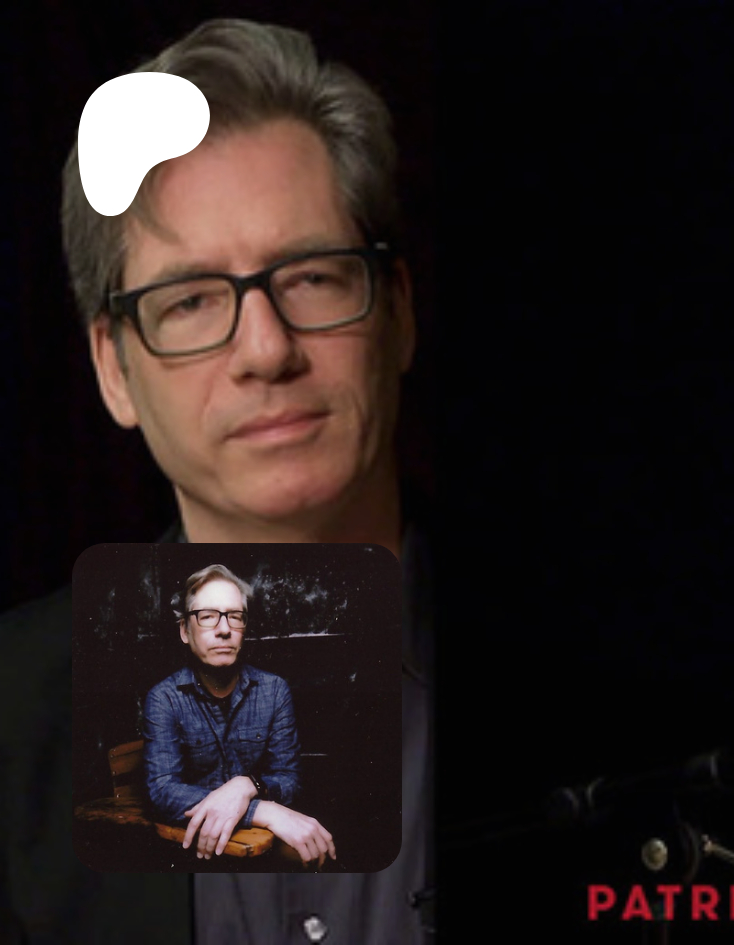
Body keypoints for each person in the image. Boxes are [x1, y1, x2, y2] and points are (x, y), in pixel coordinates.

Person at [0, 18, 432, 943]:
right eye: (191, 300)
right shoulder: (11, 729)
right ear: (114, 368)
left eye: (312, 277)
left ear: (397, 309)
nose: (266, 350)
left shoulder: (620, 681)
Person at [143, 565, 335, 868]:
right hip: (189, 847)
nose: (224, 629)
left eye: (235, 616)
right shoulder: (164, 698)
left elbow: (290, 779)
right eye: (207, 616)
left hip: (258, 844)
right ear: (185, 631)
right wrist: (262, 810)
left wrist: (247, 785)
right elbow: (163, 791)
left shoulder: (274, 690)